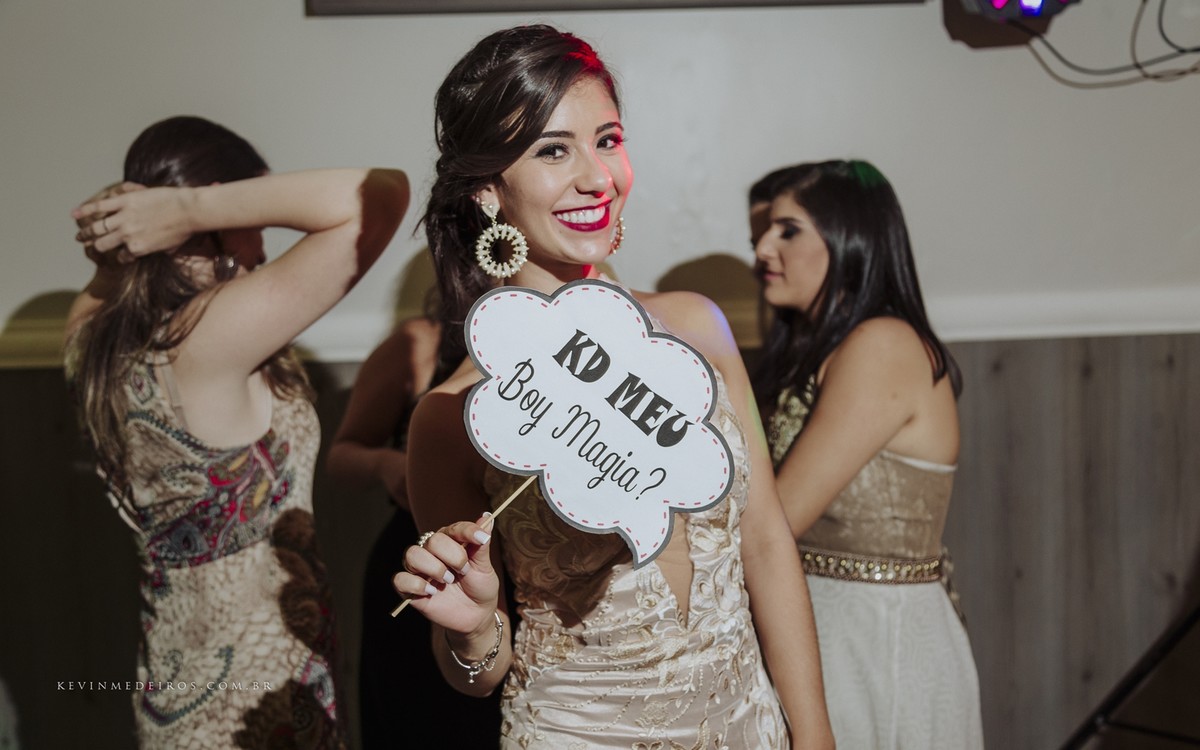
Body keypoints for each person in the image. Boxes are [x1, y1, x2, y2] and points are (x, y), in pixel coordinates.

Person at [389, 25, 834, 749]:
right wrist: (472, 631)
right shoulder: (451, 417)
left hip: (749, 726)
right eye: (552, 150)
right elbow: (480, 669)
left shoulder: (696, 327)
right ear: (487, 191)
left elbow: (766, 541)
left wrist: (814, 736)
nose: (598, 176)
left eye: (607, 139)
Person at [64, 115, 409, 748]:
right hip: (261, 695)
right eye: (256, 210)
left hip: (174, 680)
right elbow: (380, 194)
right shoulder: (210, 333)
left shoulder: (94, 328)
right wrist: (195, 207)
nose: (265, 238)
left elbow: (105, 282)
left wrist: (148, 227)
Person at [750, 159, 985, 748]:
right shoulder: (812, 352)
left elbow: (779, 515)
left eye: (787, 229)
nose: (761, 249)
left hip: (877, 641)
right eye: (758, 233)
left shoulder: (883, 344)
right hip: (821, 628)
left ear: (851, 236)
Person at [324, 313, 505, 749]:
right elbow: (341, 455)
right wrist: (388, 465)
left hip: (522, 568)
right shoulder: (424, 340)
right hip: (434, 559)